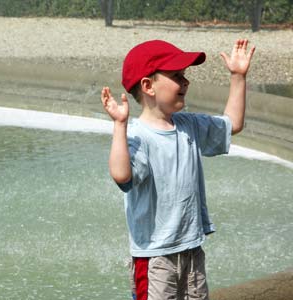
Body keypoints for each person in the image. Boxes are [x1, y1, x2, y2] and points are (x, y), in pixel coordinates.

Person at [101, 39, 255, 300]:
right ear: (148, 86)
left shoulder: (189, 125)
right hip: (155, 257)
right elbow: (121, 175)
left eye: (184, 75)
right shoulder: (137, 136)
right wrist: (120, 126)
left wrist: (238, 77)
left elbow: (232, 124)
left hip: (192, 248)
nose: (186, 82)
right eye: (176, 76)